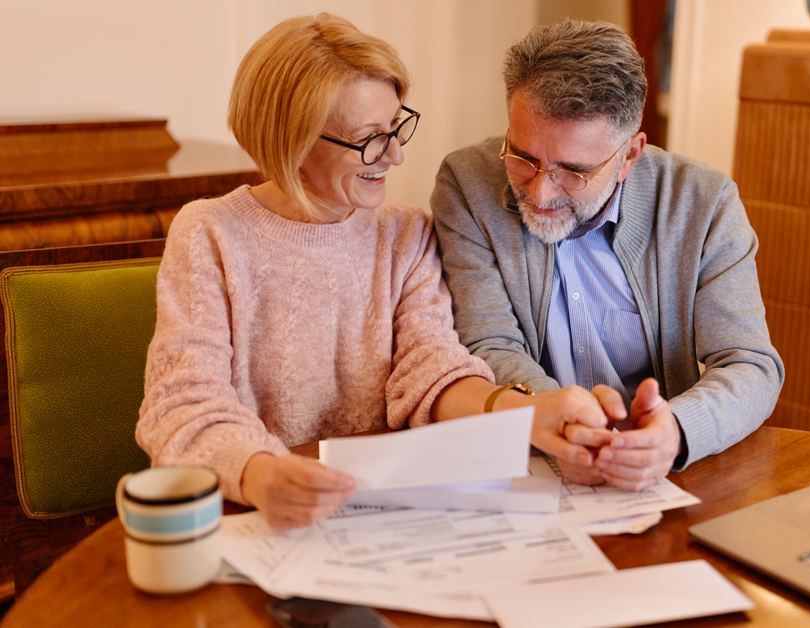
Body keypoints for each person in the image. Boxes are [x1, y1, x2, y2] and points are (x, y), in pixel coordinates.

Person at [136, 14, 603, 530]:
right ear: (295, 141)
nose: (396, 155)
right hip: (255, 516)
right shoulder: (210, 233)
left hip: (377, 518)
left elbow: (431, 371)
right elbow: (182, 406)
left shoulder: (405, 233)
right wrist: (259, 472)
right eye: (371, 139)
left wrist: (522, 411)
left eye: (396, 127)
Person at [430, 20, 784, 492]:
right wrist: (564, 426)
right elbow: (489, 345)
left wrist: (677, 431)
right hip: (529, 469)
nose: (539, 191)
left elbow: (751, 366)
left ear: (630, 155)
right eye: (523, 156)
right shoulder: (467, 184)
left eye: (572, 171)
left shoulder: (704, 203)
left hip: (661, 479)